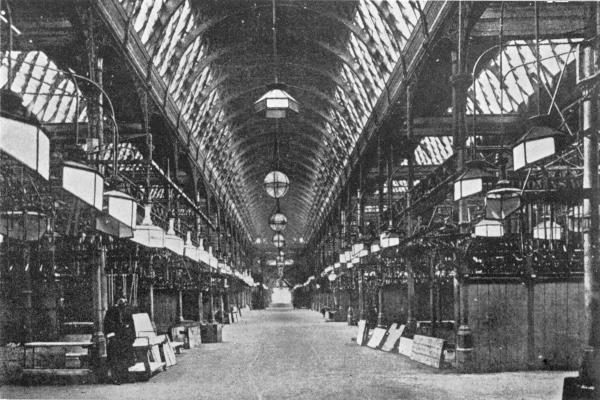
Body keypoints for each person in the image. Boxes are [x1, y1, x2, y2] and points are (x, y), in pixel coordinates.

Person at [104, 298, 135, 384]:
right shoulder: (111, 311)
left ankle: (125, 375)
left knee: (126, 357)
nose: (123, 303)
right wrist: (111, 336)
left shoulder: (127, 311)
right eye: (122, 301)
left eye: (125, 302)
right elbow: (107, 325)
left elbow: (131, 324)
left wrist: (131, 336)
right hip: (115, 338)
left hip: (125, 338)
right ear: (117, 301)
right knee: (115, 358)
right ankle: (116, 377)